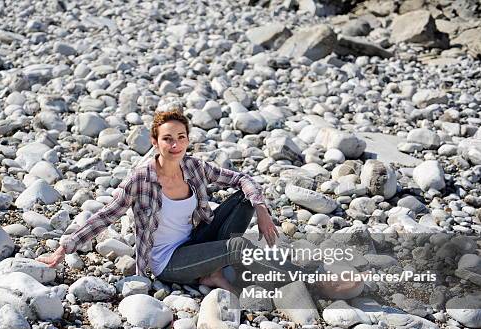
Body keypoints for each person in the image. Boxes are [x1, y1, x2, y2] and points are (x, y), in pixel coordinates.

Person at [37, 109, 363, 297]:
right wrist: (66, 245)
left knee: (242, 202)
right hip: (166, 262)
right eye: (167, 138)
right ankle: (311, 284)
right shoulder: (141, 179)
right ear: (155, 142)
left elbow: (243, 179)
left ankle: (213, 272)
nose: (175, 144)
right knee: (237, 247)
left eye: (181, 137)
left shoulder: (193, 166)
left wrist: (261, 209)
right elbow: (105, 216)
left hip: (196, 241)